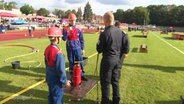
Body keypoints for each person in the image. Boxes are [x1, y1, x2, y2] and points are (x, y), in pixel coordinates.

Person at [96, 12, 129, 104]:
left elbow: (99, 49)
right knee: (115, 81)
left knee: (105, 82)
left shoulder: (104, 33)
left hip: (108, 60)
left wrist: (99, 40)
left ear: (104, 21)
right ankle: (116, 100)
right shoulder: (120, 32)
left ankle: (105, 102)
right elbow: (124, 46)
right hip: (117, 59)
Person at [44, 27, 70, 104]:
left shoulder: (47, 49)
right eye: (60, 37)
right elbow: (61, 70)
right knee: (57, 98)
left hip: (49, 78)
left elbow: (46, 64)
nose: (61, 39)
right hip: (56, 81)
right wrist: (65, 82)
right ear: (56, 38)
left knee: (51, 96)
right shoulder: (58, 53)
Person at [62, 13, 87, 81]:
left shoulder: (79, 28)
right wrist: (67, 32)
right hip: (69, 48)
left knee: (80, 61)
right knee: (71, 62)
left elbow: (82, 39)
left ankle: (82, 75)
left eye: (74, 20)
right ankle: (72, 75)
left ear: (75, 20)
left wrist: (82, 48)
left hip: (78, 48)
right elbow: (64, 39)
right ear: (69, 21)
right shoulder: (65, 28)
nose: (73, 22)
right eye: (71, 20)